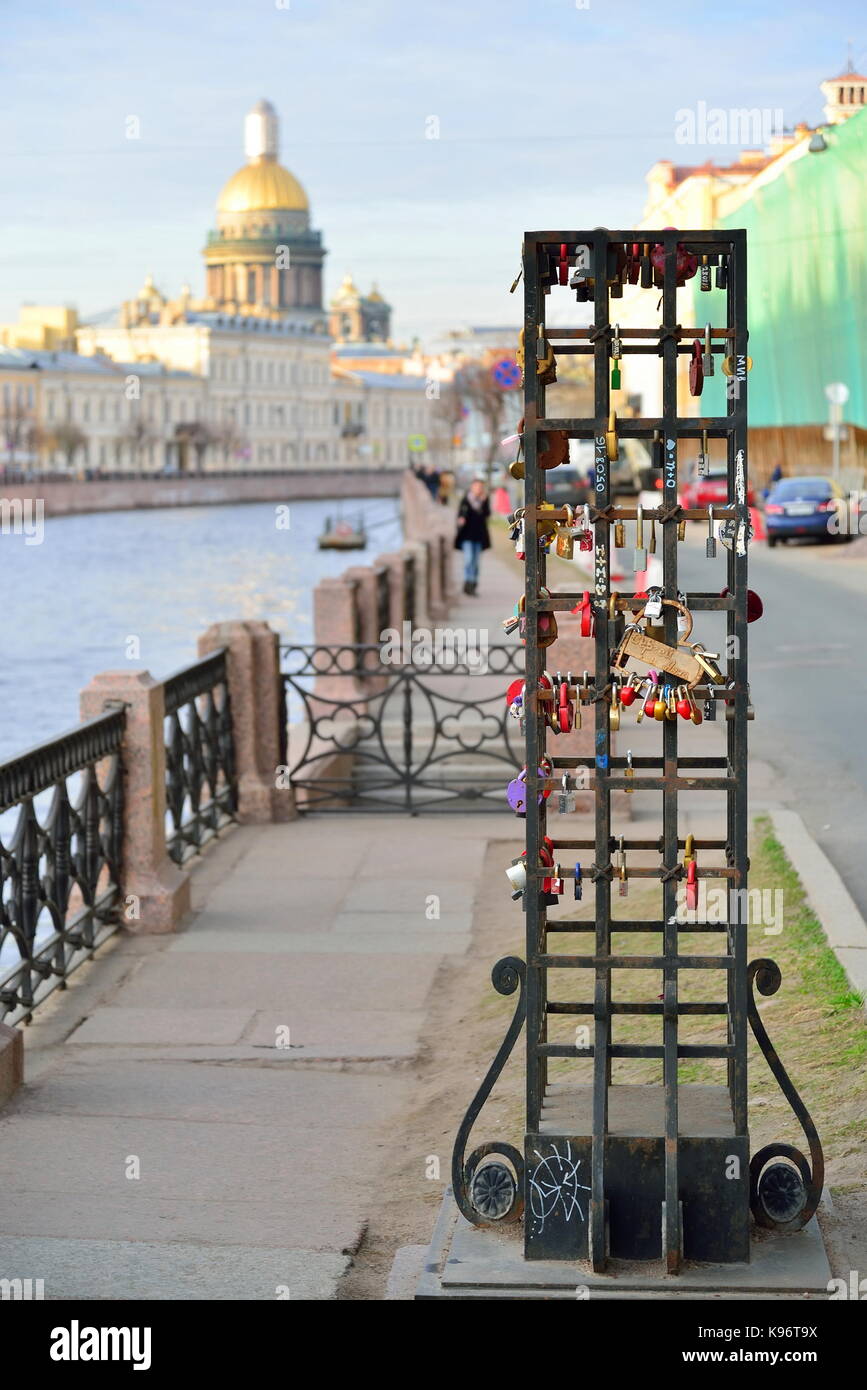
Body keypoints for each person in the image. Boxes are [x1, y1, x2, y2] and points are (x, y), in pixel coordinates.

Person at [454, 477, 491, 595]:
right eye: (476, 486)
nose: (478, 489)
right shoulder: (466, 499)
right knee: (468, 560)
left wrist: (483, 502)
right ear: (472, 487)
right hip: (467, 536)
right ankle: (468, 583)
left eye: (480, 487)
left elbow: (487, 514)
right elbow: (460, 514)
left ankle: (473, 583)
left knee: (475, 562)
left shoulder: (484, 500)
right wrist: (460, 519)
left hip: (479, 536)